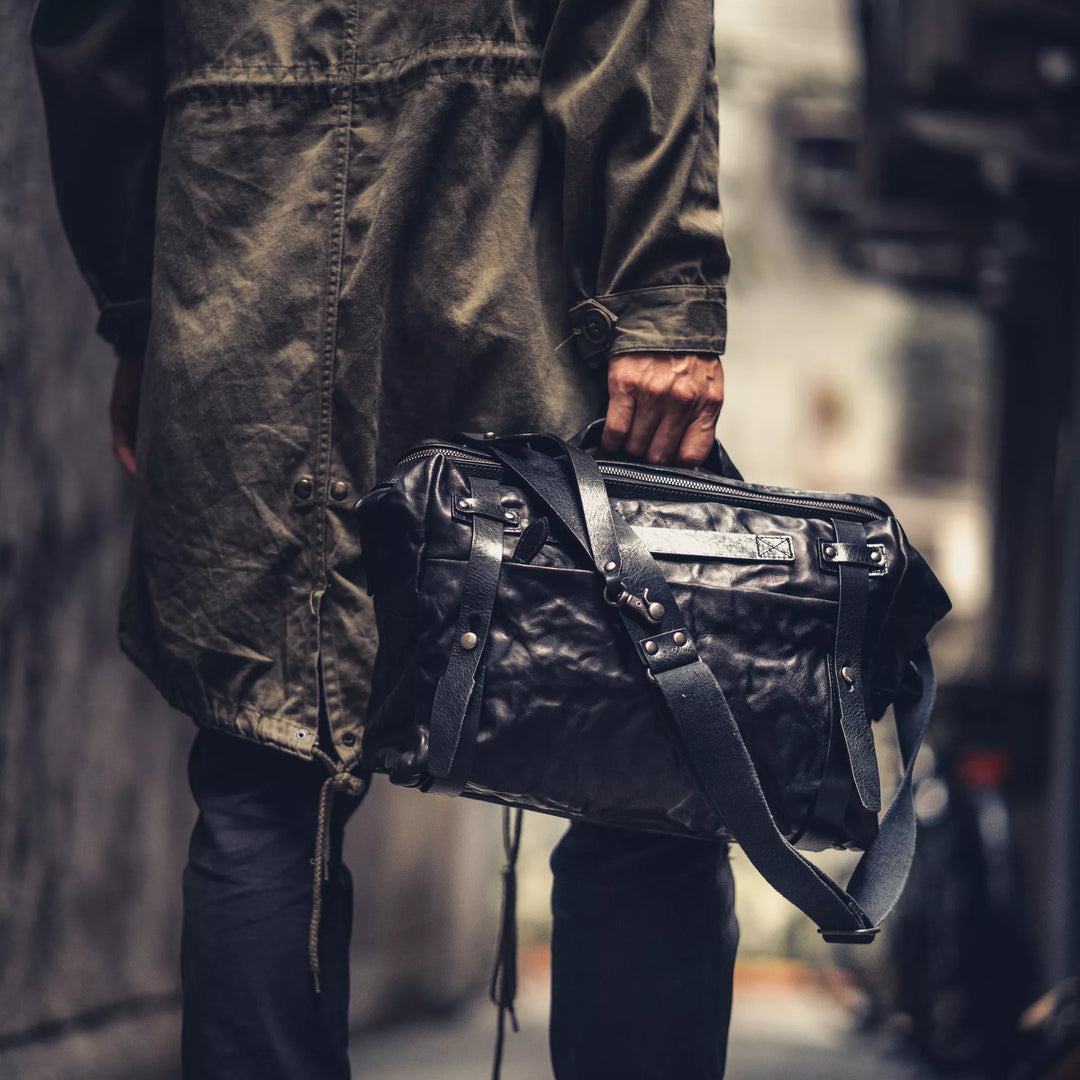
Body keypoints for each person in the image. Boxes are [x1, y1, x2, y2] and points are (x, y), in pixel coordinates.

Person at [31, 1, 739, 1076]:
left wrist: (140, 304)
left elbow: (93, 45)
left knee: (267, 765)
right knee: (649, 764)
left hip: (243, 249)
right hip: (508, 243)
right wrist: (663, 291)